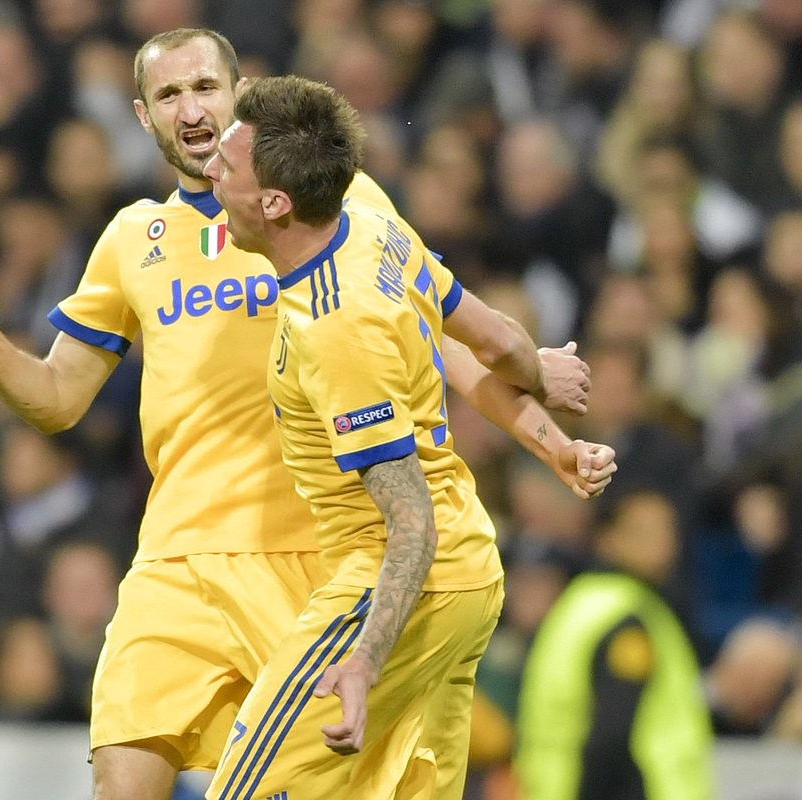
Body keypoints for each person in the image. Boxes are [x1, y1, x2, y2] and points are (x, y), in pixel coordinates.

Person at [0, 28, 616, 800]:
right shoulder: (132, 240)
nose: (191, 109)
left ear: (239, 94)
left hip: (315, 557)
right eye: (169, 95)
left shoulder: (337, 202)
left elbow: (440, 340)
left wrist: (548, 442)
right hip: (177, 557)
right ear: (144, 115)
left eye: (205, 87)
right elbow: (59, 398)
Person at [201, 73, 610, 799]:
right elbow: (493, 339)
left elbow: (410, 520)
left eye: (225, 166)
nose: (210, 172)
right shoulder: (368, 219)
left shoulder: (336, 330)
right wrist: (549, 417)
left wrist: (363, 660)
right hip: (468, 574)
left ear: (274, 203)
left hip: (399, 582)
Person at [516, 491, 715, 800]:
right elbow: (611, 735)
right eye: (644, 532)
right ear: (608, 538)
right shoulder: (625, 618)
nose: (663, 543)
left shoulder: (579, 604)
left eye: (668, 530)